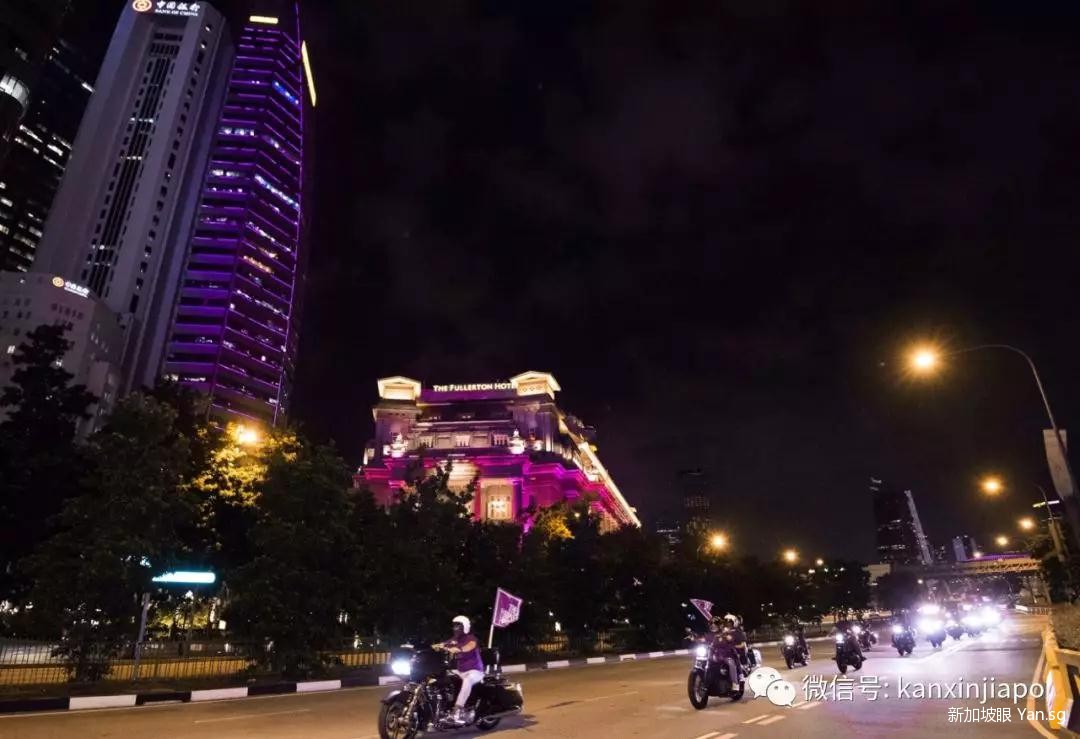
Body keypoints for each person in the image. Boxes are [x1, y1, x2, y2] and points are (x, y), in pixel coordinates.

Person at [440, 615, 485, 725]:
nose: (455, 628)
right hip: (460, 671)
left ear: (465, 626)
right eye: (454, 626)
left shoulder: (471, 638)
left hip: (475, 671)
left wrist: (459, 649)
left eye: (458, 625)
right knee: (442, 676)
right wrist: (436, 646)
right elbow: (443, 644)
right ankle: (443, 706)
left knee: (467, 680)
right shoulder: (455, 639)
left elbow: (470, 646)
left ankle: (457, 710)